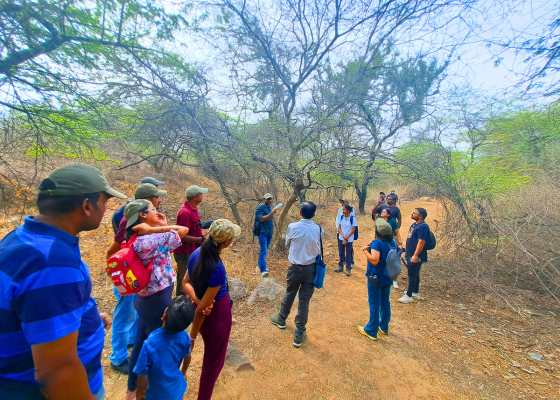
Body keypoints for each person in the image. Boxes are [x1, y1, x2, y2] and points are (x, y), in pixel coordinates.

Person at [0, 163, 126, 400]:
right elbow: (59, 371)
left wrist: (79, 317)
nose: (106, 208)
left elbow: (35, 306)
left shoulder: (26, 237)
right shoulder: (52, 263)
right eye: (104, 202)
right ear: (87, 206)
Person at [123, 200, 189, 400]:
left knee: (142, 342)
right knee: (160, 348)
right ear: (142, 216)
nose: (156, 211)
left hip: (144, 299)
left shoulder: (139, 238)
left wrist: (156, 226)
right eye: (153, 209)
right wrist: (163, 226)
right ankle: (157, 392)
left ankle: (131, 390)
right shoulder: (148, 240)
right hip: (157, 300)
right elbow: (183, 231)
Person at [106, 183, 168, 374]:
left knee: (134, 313)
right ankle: (118, 358)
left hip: (136, 274)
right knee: (125, 315)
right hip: (129, 273)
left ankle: (132, 342)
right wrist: (113, 268)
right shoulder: (130, 221)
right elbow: (116, 247)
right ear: (147, 202)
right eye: (156, 199)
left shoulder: (134, 216)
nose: (158, 202)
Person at [182, 219, 240, 400]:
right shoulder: (217, 268)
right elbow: (203, 309)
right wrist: (192, 335)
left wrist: (198, 302)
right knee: (212, 364)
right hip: (217, 318)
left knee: (211, 356)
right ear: (226, 242)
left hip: (202, 312)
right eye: (231, 239)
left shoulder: (197, 253)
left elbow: (185, 283)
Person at [270, 201, 323, 348]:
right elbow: (318, 248)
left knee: (290, 293)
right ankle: (299, 332)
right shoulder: (319, 230)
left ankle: (281, 319)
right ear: (314, 214)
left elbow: (287, 245)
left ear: (300, 213)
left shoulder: (292, 227)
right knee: (304, 300)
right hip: (311, 269)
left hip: (295, 268)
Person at [133, 296, 195, 400]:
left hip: (157, 394)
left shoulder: (151, 343)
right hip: (177, 391)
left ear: (164, 316)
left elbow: (142, 374)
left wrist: (140, 394)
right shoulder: (184, 336)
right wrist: (184, 373)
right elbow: (188, 356)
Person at [358, 219, 396, 340]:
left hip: (375, 277)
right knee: (385, 301)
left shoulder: (377, 243)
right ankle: (384, 326)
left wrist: (365, 250)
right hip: (388, 276)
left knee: (374, 303)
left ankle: (371, 330)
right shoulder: (392, 243)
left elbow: (374, 260)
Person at [174, 185, 208, 296]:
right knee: (184, 280)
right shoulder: (185, 213)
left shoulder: (194, 209)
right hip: (185, 252)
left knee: (193, 277)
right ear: (195, 197)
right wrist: (200, 239)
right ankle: (180, 306)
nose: (203, 196)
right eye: (201, 194)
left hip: (193, 250)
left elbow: (194, 230)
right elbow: (181, 236)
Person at [399, 208, 431, 304]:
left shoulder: (423, 227)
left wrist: (415, 255)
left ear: (420, 216)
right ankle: (414, 292)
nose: (412, 214)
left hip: (416, 255)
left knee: (412, 274)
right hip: (411, 253)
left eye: (414, 213)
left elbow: (421, 242)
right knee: (415, 273)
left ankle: (409, 295)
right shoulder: (415, 225)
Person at [254, 193, 277, 277]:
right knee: (263, 251)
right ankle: (263, 271)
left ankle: (259, 265)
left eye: (270, 199)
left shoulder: (269, 207)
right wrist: (272, 213)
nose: (269, 200)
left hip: (269, 233)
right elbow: (262, 219)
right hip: (262, 233)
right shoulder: (259, 208)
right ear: (263, 199)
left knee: (265, 250)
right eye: (267, 199)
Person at [335, 204, 357, 277]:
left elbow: (353, 229)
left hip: (349, 239)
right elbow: (339, 228)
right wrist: (342, 235)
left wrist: (347, 237)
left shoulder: (352, 218)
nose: (342, 211)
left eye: (344, 209)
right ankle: (340, 266)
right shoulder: (342, 217)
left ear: (348, 210)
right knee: (341, 253)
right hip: (342, 237)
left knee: (348, 254)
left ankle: (348, 268)